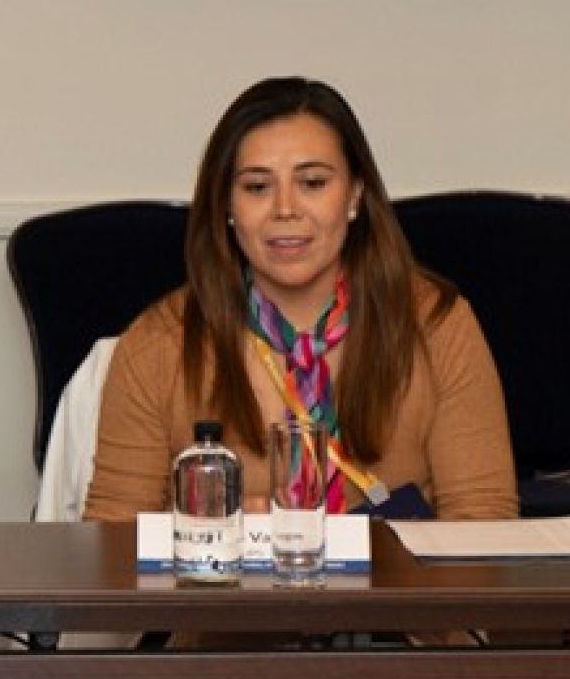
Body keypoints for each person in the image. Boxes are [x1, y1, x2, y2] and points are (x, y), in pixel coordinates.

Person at [84, 78, 516, 522]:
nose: (285, 209)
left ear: (354, 196)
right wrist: (220, 538)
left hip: (401, 590)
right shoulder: (160, 345)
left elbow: (483, 525)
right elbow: (111, 544)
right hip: (223, 589)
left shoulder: (438, 325)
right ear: (227, 206)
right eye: (256, 187)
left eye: (312, 182)